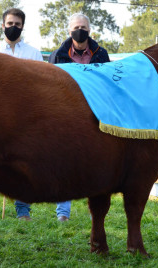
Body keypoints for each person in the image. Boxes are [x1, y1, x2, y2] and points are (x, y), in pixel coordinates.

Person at [0, 8, 43, 221]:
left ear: (22, 26)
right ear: (2, 25)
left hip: (23, 117)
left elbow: (38, 85)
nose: (13, 27)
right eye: (9, 23)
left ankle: (23, 210)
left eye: (17, 24)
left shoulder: (34, 53)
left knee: (22, 164)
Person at [49, 12, 110, 221]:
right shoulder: (58, 54)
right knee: (64, 160)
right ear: (69, 30)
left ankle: (95, 212)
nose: (80, 31)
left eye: (83, 27)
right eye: (76, 27)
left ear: (89, 30)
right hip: (65, 113)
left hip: (93, 112)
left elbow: (107, 84)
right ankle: (63, 212)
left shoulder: (101, 54)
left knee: (94, 161)